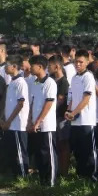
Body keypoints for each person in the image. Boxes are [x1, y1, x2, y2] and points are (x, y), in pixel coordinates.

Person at [65, 50, 98, 180]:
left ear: (87, 62)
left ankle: (92, 176)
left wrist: (74, 112)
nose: (78, 64)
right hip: (75, 120)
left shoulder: (88, 76)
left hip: (86, 120)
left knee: (89, 150)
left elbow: (86, 98)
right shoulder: (74, 77)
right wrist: (69, 111)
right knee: (78, 150)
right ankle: (81, 175)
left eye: (81, 62)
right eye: (76, 61)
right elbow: (73, 97)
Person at [27, 55, 59, 187]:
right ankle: (42, 182)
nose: (30, 68)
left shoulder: (50, 82)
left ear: (40, 66)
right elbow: (33, 102)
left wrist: (39, 121)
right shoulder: (35, 82)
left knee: (49, 154)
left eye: (32, 65)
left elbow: (49, 103)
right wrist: (30, 120)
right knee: (39, 154)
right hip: (35, 125)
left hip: (47, 125)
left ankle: (51, 183)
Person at [0, 56, 30, 180]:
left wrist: (9, 120)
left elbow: (20, 103)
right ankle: (14, 176)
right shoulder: (12, 82)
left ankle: (23, 177)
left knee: (20, 153)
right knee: (12, 152)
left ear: (14, 66)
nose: (5, 68)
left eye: (7, 65)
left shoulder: (21, 82)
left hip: (17, 124)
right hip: (10, 125)